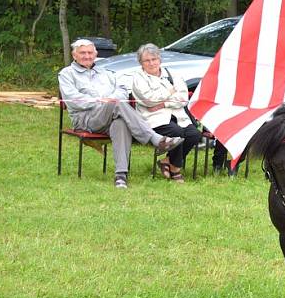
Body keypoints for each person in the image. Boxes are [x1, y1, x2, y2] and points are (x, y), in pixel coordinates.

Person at [58, 39, 184, 189]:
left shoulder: (106, 73)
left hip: (111, 115)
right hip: (85, 119)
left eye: (90, 52)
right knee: (116, 104)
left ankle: (121, 176)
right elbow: (73, 100)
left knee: (121, 123)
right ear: (74, 55)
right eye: (82, 53)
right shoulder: (66, 74)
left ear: (96, 54)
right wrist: (102, 101)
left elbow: (123, 90)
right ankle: (156, 139)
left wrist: (112, 100)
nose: (87, 56)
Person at [130, 44, 201, 183]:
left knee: (194, 134)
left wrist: (163, 103)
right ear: (141, 63)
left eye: (154, 59)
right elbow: (149, 100)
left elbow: (183, 99)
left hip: (178, 115)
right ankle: (176, 170)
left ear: (159, 59)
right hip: (154, 119)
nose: (151, 63)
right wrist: (170, 92)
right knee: (177, 132)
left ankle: (167, 161)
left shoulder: (173, 75)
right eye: (147, 60)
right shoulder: (138, 78)